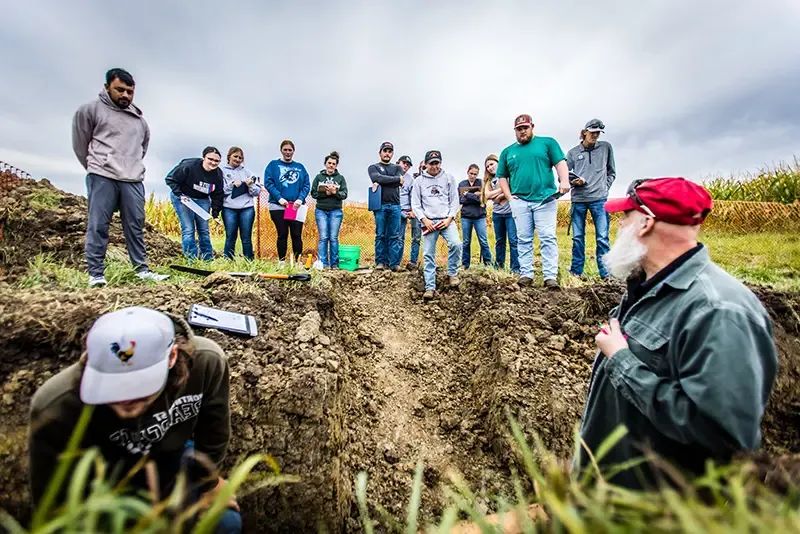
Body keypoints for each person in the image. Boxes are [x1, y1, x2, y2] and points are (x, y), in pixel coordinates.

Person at [575, 177, 778, 491]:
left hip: (660, 511)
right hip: (615, 495)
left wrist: (621, 360)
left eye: (624, 218)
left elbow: (719, 432)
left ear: (645, 223)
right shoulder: (651, 287)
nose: (619, 227)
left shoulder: (719, 311)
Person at [28, 306, 241, 533]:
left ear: (172, 357)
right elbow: (51, 500)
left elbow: (214, 428)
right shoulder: (57, 404)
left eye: (138, 385)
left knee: (225, 524)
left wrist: (209, 485)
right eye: (113, 386)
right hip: (100, 478)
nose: (125, 398)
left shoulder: (205, 362)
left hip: (171, 456)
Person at [71, 68, 168, 287]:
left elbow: (141, 148)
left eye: (129, 92)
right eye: (120, 90)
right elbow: (80, 144)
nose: (125, 95)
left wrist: (130, 165)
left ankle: (141, 269)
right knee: (98, 225)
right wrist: (96, 166)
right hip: (102, 175)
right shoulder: (90, 111)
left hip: (132, 179)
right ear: (107, 88)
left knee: (135, 225)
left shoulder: (140, 121)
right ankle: (96, 274)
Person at [496, 114, 570, 289]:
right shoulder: (508, 152)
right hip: (520, 200)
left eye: (525, 128)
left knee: (547, 237)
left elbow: (560, 163)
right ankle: (526, 275)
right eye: (519, 129)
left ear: (532, 127)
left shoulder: (547, 143)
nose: (522, 132)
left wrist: (564, 180)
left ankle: (550, 276)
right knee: (523, 238)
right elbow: (502, 176)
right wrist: (508, 196)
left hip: (545, 199)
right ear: (515, 131)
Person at [566, 118, 616, 279]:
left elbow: (611, 172)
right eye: (592, 132)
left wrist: (604, 188)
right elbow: (564, 176)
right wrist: (574, 182)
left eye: (598, 133)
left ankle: (606, 273)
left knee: (602, 237)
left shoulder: (606, 148)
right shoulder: (573, 153)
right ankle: (576, 272)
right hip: (579, 199)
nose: (595, 135)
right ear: (584, 132)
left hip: (599, 199)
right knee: (578, 237)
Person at [411, 150, 462, 300]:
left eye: (437, 163)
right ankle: (430, 287)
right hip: (429, 221)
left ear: (440, 163)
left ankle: (452, 273)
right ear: (426, 164)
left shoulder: (449, 179)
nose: (434, 166)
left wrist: (449, 218)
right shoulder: (419, 181)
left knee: (456, 244)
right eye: (431, 163)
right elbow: (415, 204)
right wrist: (424, 219)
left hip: (446, 220)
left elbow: (454, 201)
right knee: (428, 254)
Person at [165, 147, 225, 261]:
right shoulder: (189, 166)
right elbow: (170, 179)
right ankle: (191, 259)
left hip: (202, 199)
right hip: (183, 197)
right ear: (204, 158)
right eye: (210, 159)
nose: (213, 163)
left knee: (204, 230)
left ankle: (207, 259)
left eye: (216, 161)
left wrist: (216, 213)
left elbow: (218, 194)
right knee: (188, 229)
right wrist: (180, 194)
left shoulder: (217, 174)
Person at [263, 140, 311, 263]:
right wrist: (279, 198)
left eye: (290, 150)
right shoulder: (273, 165)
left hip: (296, 207)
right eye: (285, 149)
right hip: (278, 206)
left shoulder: (300, 167)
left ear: (293, 151)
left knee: (296, 235)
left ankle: (298, 261)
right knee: (282, 234)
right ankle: (282, 262)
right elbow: (268, 183)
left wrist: (300, 199)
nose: (288, 152)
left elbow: (306, 184)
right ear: (281, 150)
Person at [368, 142, 404, 271]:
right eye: (385, 151)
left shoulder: (397, 168)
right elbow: (376, 177)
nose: (387, 153)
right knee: (380, 235)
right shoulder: (373, 167)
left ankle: (394, 264)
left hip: (395, 205)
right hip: (380, 205)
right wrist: (394, 180)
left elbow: (398, 180)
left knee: (394, 236)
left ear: (392, 154)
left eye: (390, 151)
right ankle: (380, 262)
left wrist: (382, 181)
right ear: (380, 153)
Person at [220, 147, 261, 261]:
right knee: (230, 236)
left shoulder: (247, 172)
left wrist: (250, 185)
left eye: (240, 158)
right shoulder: (222, 172)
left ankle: (249, 261)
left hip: (246, 208)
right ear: (229, 157)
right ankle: (228, 261)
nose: (238, 160)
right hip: (229, 208)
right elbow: (220, 191)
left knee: (246, 237)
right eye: (235, 157)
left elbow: (257, 192)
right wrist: (232, 185)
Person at [310, 151, 348, 269]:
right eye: (329, 163)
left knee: (333, 237)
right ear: (325, 164)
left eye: (333, 163)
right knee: (323, 237)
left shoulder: (340, 178)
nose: (331, 165)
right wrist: (326, 193)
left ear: (336, 165)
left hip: (336, 211)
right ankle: (323, 264)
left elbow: (344, 194)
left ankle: (335, 264)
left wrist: (335, 192)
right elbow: (313, 193)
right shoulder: (319, 177)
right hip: (321, 210)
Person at [481, 154, 519, 273]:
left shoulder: (508, 174)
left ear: (498, 162)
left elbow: (512, 188)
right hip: (497, 214)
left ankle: (515, 268)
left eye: (491, 164)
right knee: (500, 241)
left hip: (510, 213)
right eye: (487, 166)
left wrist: (497, 196)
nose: (490, 168)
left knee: (513, 240)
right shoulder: (489, 180)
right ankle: (499, 265)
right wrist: (503, 190)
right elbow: (486, 195)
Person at [458, 164, 492, 269]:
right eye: (471, 173)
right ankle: (465, 264)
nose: (473, 176)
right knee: (466, 241)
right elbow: (460, 200)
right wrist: (475, 195)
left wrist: (468, 195)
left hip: (480, 216)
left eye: (475, 174)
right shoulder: (462, 184)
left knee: (483, 240)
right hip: (466, 216)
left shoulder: (481, 183)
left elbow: (481, 200)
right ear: (467, 172)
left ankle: (488, 263)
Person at [397, 155, 421, 270]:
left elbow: (413, 195)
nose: (405, 166)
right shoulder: (391, 175)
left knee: (416, 237)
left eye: (408, 164)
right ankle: (396, 262)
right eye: (404, 163)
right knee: (398, 237)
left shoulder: (411, 179)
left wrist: (413, 210)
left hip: (411, 210)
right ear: (398, 163)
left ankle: (413, 262)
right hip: (397, 210)